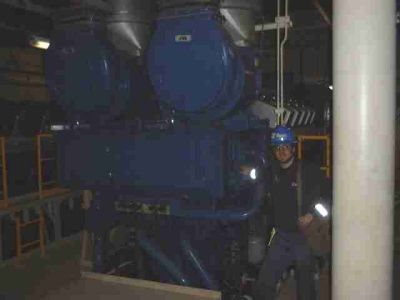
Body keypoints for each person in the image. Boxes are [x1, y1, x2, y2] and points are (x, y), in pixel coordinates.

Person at [254, 125, 330, 300]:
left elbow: (327, 197)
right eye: (278, 147)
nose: (281, 151)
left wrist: (312, 214)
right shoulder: (271, 172)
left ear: (293, 148)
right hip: (281, 236)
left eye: (286, 146)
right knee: (265, 281)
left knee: (305, 285)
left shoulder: (308, 172)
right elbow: (258, 177)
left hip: (302, 238)